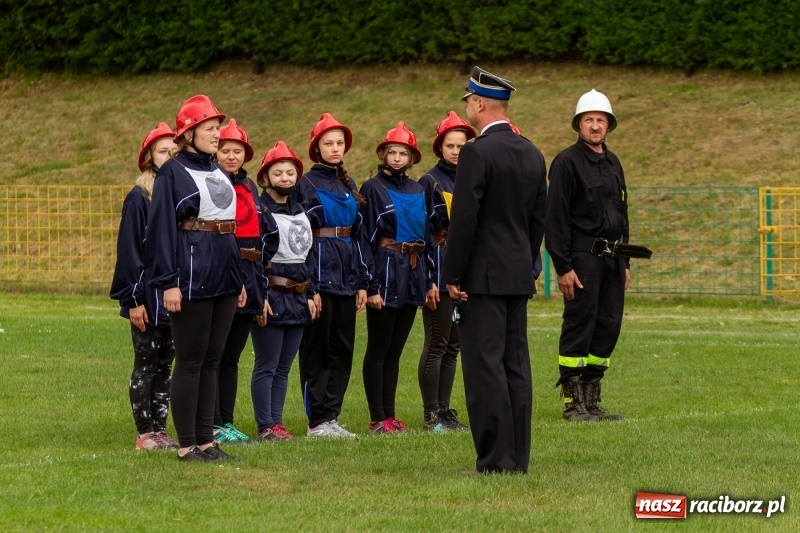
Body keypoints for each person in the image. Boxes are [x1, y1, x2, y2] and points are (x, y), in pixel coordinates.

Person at [442, 67, 548, 474]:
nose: (468, 107)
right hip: (517, 274)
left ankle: (495, 459)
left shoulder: (477, 152)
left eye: (469, 101)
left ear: (480, 103)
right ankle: (517, 457)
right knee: (515, 366)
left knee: (485, 368)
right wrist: (527, 263)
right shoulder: (531, 152)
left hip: (482, 278)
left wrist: (453, 275)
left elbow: (464, 219)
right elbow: (538, 217)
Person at [145, 95, 245, 462]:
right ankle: (187, 445)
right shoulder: (172, 172)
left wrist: (238, 279)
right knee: (190, 360)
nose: (217, 134)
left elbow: (227, 226)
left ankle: (207, 442)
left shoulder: (219, 170)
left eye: (217, 128)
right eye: (210, 128)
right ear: (189, 133)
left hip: (224, 273)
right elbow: (161, 230)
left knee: (213, 360)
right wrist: (168, 281)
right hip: (190, 275)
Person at [545, 89, 649, 422]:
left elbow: (622, 214)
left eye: (600, 120)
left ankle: (592, 398)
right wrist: (563, 266)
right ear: (578, 124)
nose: (594, 126)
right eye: (588, 120)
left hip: (613, 260)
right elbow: (556, 218)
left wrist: (625, 262)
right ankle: (572, 402)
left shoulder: (613, 162)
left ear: (608, 125)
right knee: (580, 324)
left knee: (607, 326)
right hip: (582, 259)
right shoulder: (566, 163)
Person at [295, 113, 368, 439]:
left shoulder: (349, 184)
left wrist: (363, 282)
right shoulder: (305, 183)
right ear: (317, 147)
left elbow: (359, 236)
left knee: (343, 348)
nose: (335, 148)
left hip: (347, 277)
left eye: (340, 143)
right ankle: (317, 420)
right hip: (320, 277)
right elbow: (301, 238)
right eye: (329, 143)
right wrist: (309, 285)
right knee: (317, 350)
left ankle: (332, 416)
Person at [359, 122, 432, 434]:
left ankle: (390, 416)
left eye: (403, 153)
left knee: (395, 351)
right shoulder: (372, 188)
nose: (398, 158)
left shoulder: (418, 189)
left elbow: (426, 237)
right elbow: (365, 238)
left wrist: (426, 280)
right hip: (385, 272)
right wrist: (371, 285)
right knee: (378, 349)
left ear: (412, 157)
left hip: (412, 274)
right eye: (393, 152)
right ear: (383, 154)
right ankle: (378, 418)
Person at [110, 122, 178, 451]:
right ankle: (145, 433)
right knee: (146, 364)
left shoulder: (180, 195)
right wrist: (134, 299)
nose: (169, 156)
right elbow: (130, 252)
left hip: (174, 297)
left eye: (175, 151)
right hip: (146, 297)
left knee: (166, 365)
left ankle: (160, 429)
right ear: (150, 157)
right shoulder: (139, 198)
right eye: (163, 151)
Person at [251, 141, 317, 441]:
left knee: (283, 367)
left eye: (290, 172)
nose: (285, 178)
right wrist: (260, 296)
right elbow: (256, 258)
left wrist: (311, 293)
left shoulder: (301, 210)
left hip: (298, 297)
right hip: (272, 295)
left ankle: (276, 423)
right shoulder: (261, 211)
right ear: (265, 177)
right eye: (278, 173)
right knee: (267, 364)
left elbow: (308, 256)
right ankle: (265, 426)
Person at [417, 111, 475, 432]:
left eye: (461, 146)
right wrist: (428, 279)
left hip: (465, 272)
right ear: (440, 147)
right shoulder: (430, 182)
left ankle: (444, 411)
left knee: (454, 345)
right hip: (439, 271)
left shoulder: (472, 176)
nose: (455, 151)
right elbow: (425, 234)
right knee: (437, 342)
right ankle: (431, 415)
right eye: (450, 145)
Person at [213, 119, 264, 444]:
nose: (232, 156)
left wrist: (260, 286)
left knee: (231, 357)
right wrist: (234, 279)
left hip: (251, 273)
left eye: (237, 151)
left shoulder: (250, 187)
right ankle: (211, 423)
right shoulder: (213, 182)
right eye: (225, 150)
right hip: (224, 274)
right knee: (214, 355)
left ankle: (226, 421)